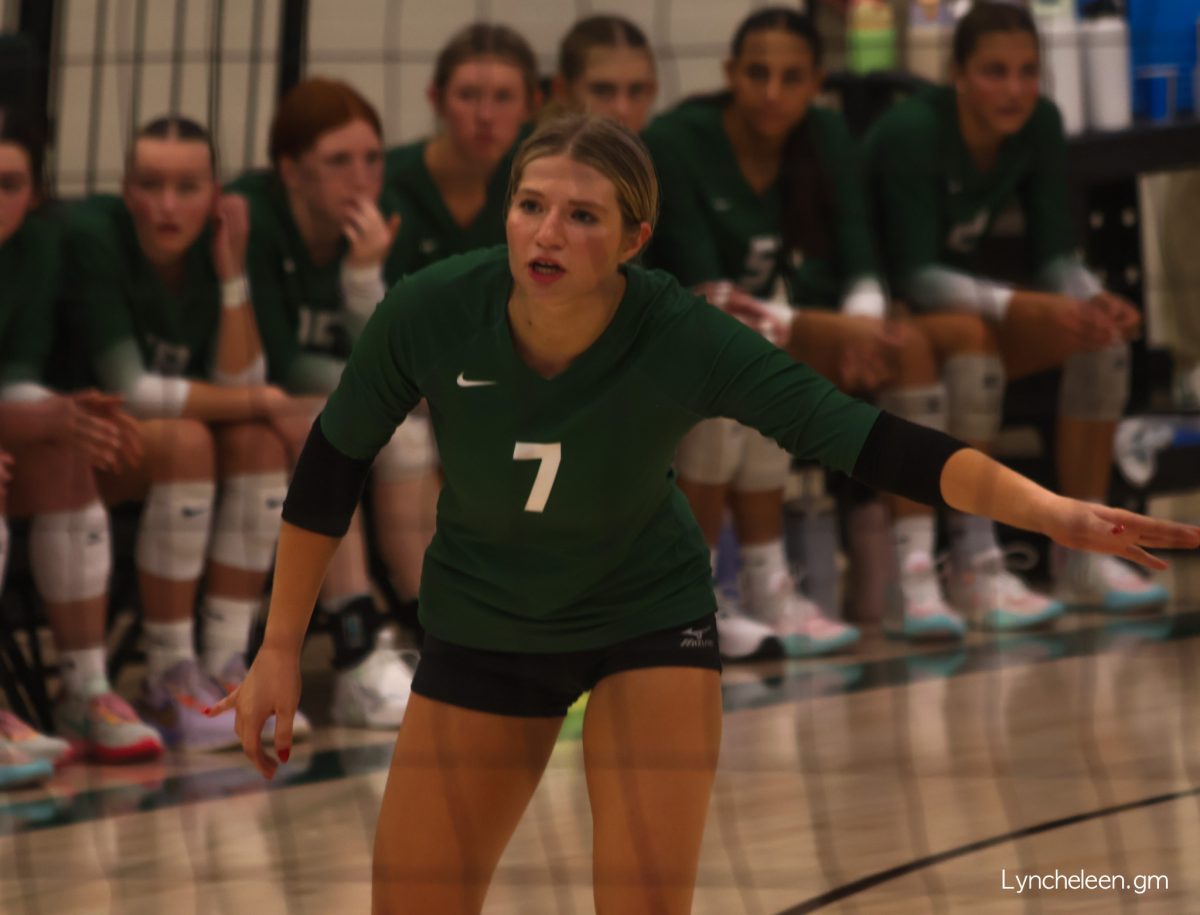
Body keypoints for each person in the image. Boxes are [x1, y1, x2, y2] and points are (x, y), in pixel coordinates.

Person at [210, 114, 1199, 914]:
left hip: (646, 621)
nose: (548, 234)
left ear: (636, 239)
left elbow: (870, 440)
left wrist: (1050, 510)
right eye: (530, 206)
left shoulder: (682, 333)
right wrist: (281, 651)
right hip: (482, 625)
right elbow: (333, 463)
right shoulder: (429, 309)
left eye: (584, 216)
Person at [864, 1, 1162, 615]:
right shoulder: (912, 130)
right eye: (995, 72)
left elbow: (1057, 253)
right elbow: (916, 276)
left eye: (1029, 72)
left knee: (1101, 340)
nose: (1015, 89)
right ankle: (972, 558)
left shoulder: (1040, 125)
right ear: (958, 74)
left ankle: (1085, 553)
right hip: (881, 313)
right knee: (975, 349)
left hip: (960, 308)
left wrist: (1091, 297)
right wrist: (1024, 307)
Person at [60, 115, 309, 750]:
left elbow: (240, 371)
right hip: (67, 445)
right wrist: (262, 397)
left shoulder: (219, 243)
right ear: (125, 189)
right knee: (193, 440)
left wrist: (231, 274)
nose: (168, 206)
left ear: (215, 194)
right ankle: (167, 675)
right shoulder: (94, 237)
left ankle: (228, 669)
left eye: (188, 187)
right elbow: (133, 392)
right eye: (150, 185)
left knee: (258, 441)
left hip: (149, 446)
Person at [229, 78, 424, 728]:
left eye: (372, 158)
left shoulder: (379, 214)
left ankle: (447, 638)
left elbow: (393, 354)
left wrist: (363, 275)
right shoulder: (256, 218)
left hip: (317, 399)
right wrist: (377, 385)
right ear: (291, 169)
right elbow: (281, 362)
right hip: (239, 399)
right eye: (339, 161)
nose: (362, 177)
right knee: (336, 424)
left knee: (409, 433)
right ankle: (357, 651)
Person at [0, 105, 160, 764]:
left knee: (73, 451)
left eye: (8, 183)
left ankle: (84, 691)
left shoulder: (35, 248)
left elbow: (15, 374)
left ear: (36, 194)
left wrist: (59, 412)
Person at [384, 22, 540, 276]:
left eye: (503, 97)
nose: (485, 116)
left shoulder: (543, 180)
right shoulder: (386, 178)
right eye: (468, 95)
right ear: (436, 99)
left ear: (532, 105)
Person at [548, 14, 658, 133]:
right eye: (602, 91)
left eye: (636, 91)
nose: (622, 109)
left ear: (652, 92)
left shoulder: (662, 147)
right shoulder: (532, 148)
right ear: (562, 91)